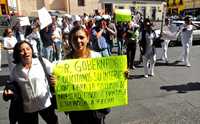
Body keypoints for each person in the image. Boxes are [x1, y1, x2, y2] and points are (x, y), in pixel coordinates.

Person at [3, 41, 58, 124]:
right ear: (18, 54)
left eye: (28, 49)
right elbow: (11, 84)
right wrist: (8, 90)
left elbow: (56, 72)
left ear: (32, 50)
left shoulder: (41, 62)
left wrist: (55, 80)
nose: (26, 52)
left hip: (45, 103)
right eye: (22, 50)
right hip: (28, 108)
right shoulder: (15, 70)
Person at [65, 26, 110, 124]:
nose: (78, 41)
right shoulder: (66, 61)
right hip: (76, 109)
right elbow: (63, 85)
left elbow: (106, 77)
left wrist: (122, 75)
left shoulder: (96, 57)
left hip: (95, 107)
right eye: (74, 38)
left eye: (81, 37)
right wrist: (55, 82)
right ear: (70, 41)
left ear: (87, 38)